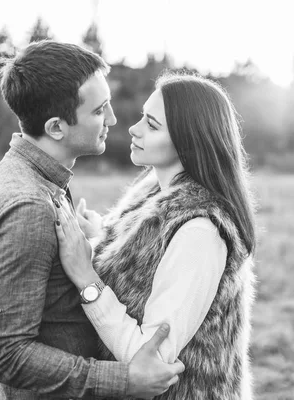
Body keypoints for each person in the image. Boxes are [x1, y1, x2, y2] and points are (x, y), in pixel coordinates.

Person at [0, 40, 184, 399]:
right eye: (99, 110)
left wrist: (99, 242)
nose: (112, 119)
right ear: (55, 128)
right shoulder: (27, 207)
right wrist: (125, 379)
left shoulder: (40, 179)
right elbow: (8, 355)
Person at [54, 72, 257, 400]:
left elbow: (150, 360)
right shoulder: (153, 193)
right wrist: (103, 236)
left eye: (152, 123)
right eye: (142, 118)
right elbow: (144, 261)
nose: (134, 129)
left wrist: (86, 279)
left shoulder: (200, 232)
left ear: (188, 140)